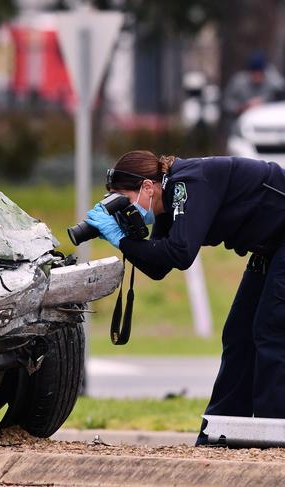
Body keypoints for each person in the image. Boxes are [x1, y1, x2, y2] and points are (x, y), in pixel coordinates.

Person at [85, 150, 285, 444]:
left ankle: (275, 436)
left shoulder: (186, 184)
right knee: (238, 336)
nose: (124, 210)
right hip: (272, 246)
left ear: (147, 187)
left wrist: (122, 239)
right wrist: (125, 239)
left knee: (271, 330)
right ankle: (222, 436)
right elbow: (158, 267)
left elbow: (180, 253)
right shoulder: (167, 198)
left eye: (124, 201)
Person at [223, 51, 284, 119]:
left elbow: (280, 97)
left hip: (268, 121)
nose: (257, 75)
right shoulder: (239, 82)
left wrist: (264, 103)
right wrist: (241, 107)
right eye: (254, 72)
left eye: (259, 72)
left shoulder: (273, 82)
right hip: (242, 122)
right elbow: (226, 102)